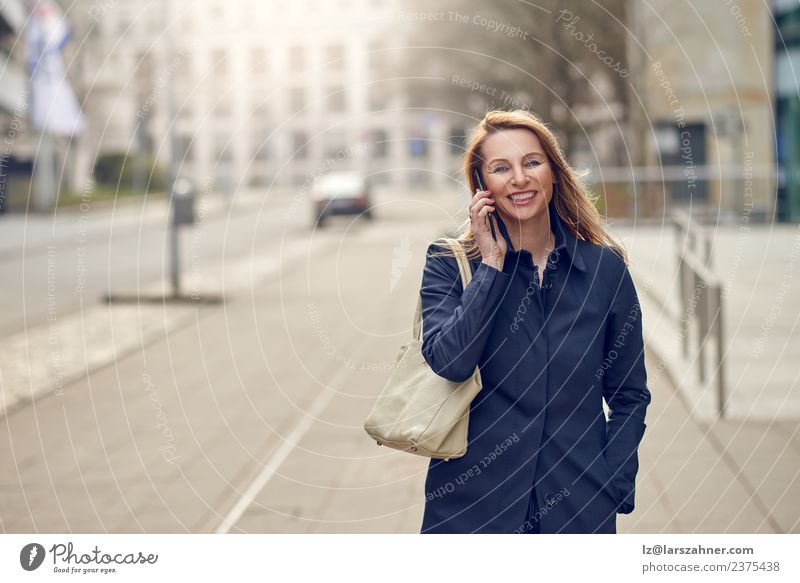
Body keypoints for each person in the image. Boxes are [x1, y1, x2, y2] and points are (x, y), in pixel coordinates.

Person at [418, 109, 652, 534]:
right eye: (501, 168)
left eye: (532, 162)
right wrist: (491, 266)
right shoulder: (449, 265)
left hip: (578, 507)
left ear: (554, 173)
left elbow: (629, 394)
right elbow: (449, 362)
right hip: (473, 508)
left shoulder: (605, 271)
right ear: (481, 187)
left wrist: (612, 484)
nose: (519, 178)